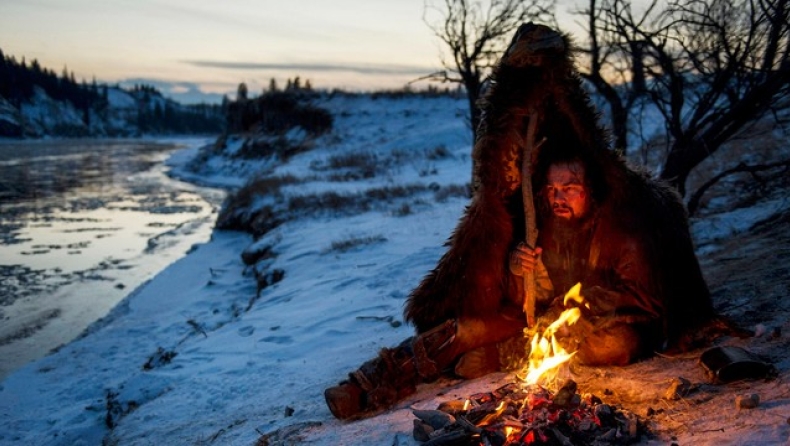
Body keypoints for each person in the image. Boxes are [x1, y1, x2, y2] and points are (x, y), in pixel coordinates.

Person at [324, 22, 736, 420]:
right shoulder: (541, 221)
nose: (559, 196)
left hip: (598, 329)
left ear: (589, 187)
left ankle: (499, 356)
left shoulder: (622, 224)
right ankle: (370, 383)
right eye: (553, 189)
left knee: (617, 345)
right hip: (536, 325)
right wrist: (521, 272)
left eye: (570, 186)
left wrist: (571, 309)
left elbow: (644, 299)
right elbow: (519, 299)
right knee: (461, 332)